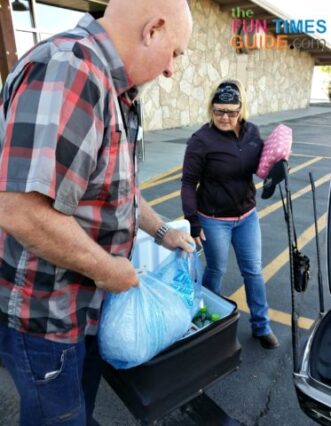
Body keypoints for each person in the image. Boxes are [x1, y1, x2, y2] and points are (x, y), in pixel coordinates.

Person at [0, 0, 193, 425]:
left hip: (84, 310)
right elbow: (21, 210)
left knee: (79, 412)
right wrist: (109, 270)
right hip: (47, 319)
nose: (170, 70)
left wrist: (163, 232)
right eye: (174, 53)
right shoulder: (71, 69)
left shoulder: (115, 87)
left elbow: (117, 191)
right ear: (154, 29)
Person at [181, 78, 280, 350]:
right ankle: (205, 323)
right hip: (214, 220)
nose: (225, 117)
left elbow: (263, 165)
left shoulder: (251, 133)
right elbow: (188, 183)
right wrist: (192, 219)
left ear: (241, 109)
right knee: (216, 270)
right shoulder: (201, 141)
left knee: (253, 271)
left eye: (231, 112)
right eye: (219, 111)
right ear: (211, 108)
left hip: (247, 216)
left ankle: (262, 326)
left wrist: (279, 162)